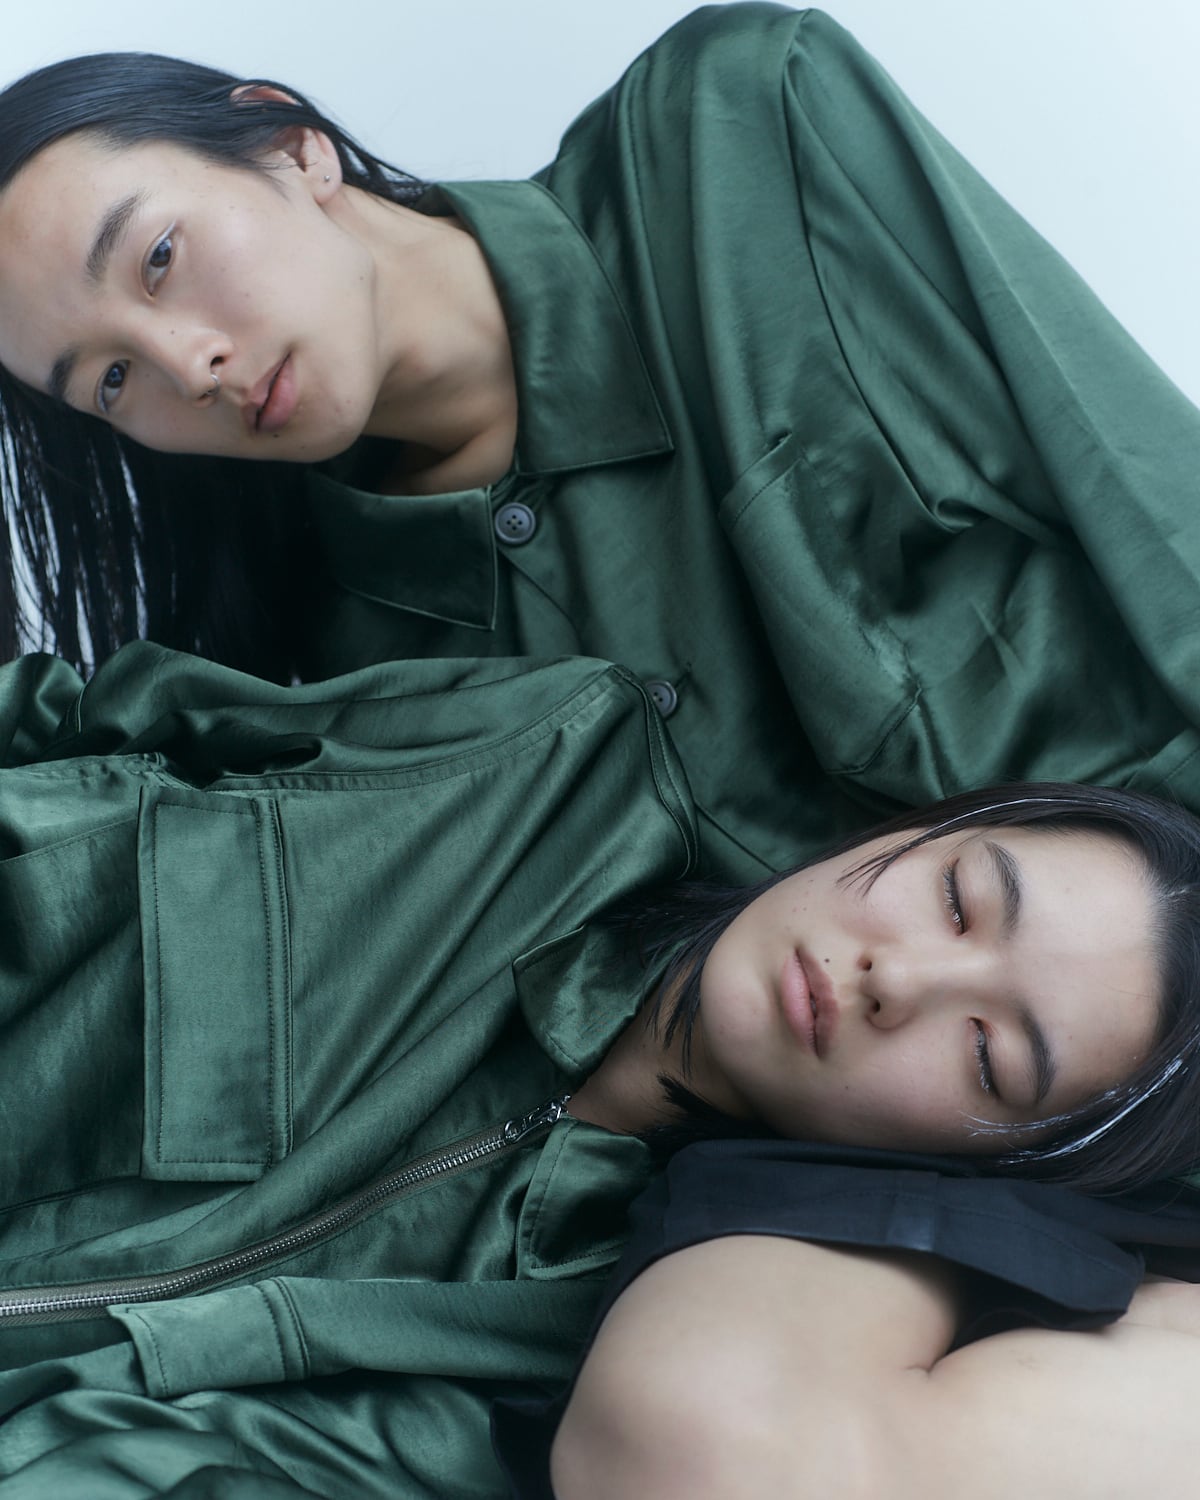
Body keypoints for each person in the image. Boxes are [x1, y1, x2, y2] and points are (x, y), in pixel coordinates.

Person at [1, 5, 1199, 881]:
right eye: (111, 380)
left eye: (159, 258)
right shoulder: (345, 678)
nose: (187, 367)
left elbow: (1138, 488)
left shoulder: (739, 125)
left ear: (286, 142)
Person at [3, 641, 1200, 1498]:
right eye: (958, 897)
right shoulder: (557, 763)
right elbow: (83, 724)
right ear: (924, 826)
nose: (904, 980)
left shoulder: (575, 1365)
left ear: (996, 1172)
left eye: (989, 1056)